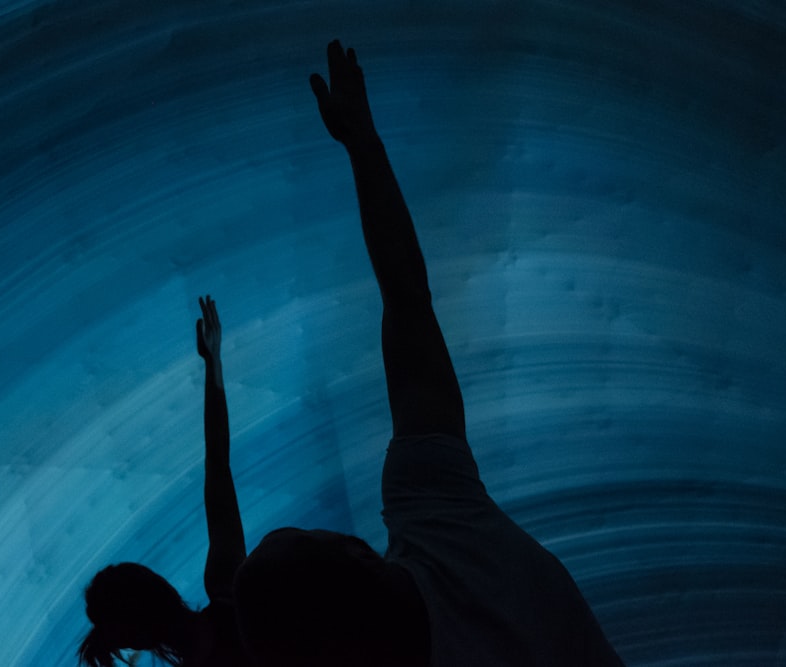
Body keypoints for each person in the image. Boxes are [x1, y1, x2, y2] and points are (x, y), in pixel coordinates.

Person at [231, 41, 626, 666]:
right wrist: (364, 146)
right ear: (356, 550)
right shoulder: (439, 517)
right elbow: (407, 300)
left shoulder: (435, 514)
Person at [79, 295, 250, 667]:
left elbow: (218, 469)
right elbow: (218, 468)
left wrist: (213, 365)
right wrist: (213, 365)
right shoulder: (230, 593)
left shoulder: (229, 591)